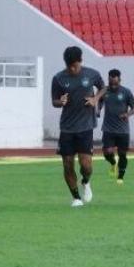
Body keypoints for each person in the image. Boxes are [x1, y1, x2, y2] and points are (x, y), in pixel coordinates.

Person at [51, 47, 105, 207]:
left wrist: (95, 98)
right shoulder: (58, 78)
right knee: (67, 163)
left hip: (85, 126)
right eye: (69, 67)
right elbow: (54, 101)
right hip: (67, 128)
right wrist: (60, 102)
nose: (72, 69)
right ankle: (76, 198)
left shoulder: (91, 74)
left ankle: (86, 181)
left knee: (86, 165)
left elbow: (103, 88)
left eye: (75, 66)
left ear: (80, 61)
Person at [99, 69, 134, 184]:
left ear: (119, 80)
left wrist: (127, 114)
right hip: (108, 128)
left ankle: (120, 176)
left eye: (115, 83)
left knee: (122, 154)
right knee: (107, 151)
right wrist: (98, 109)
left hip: (123, 130)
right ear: (108, 80)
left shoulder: (126, 92)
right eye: (111, 83)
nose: (113, 85)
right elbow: (100, 101)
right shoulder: (104, 91)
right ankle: (112, 163)